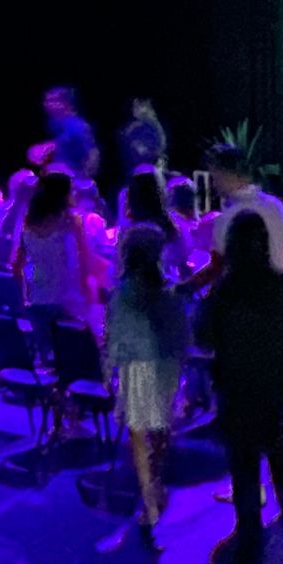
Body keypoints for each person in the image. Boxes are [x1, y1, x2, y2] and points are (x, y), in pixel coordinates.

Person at [197, 211, 283, 564]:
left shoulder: (223, 291)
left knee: (244, 475)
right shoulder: (280, 287)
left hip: (236, 395)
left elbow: (203, 337)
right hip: (276, 393)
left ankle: (251, 555)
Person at [106, 224, 190, 541]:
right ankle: (155, 482)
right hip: (163, 366)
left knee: (139, 434)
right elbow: (181, 338)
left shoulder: (122, 291)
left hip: (135, 366)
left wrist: (112, 368)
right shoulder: (168, 292)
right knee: (159, 428)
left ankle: (147, 495)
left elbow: (114, 334)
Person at [13, 170, 100, 335]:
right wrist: (87, 291)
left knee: (44, 341)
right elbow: (84, 259)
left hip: (36, 292)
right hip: (66, 293)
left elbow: (17, 263)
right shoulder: (71, 221)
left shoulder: (28, 221)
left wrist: (21, 296)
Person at [202, 144, 283, 279]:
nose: (214, 185)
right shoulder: (277, 206)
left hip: (243, 289)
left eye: (214, 177)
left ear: (225, 174)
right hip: (281, 288)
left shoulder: (226, 218)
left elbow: (218, 266)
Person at [121, 165, 192, 282]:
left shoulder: (128, 231)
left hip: (137, 289)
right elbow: (184, 265)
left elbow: (121, 269)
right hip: (168, 287)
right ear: (161, 192)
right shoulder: (176, 225)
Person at [35, 86, 99, 179]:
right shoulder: (53, 124)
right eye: (47, 101)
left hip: (73, 178)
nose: (47, 104)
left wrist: (82, 179)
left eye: (53, 101)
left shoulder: (77, 126)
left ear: (66, 104)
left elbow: (92, 154)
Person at [119, 98, 168, 178]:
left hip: (155, 164)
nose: (134, 109)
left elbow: (161, 146)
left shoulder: (152, 125)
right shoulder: (134, 127)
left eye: (138, 106)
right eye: (134, 107)